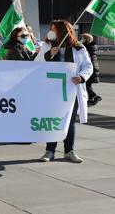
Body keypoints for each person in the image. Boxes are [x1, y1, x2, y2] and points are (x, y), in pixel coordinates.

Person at [36, 20, 93, 163]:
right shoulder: (46, 46)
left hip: (71, 90)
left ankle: (69, 151)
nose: (51, 32)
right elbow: (36, 64)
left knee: (69, 120)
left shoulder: (79, 48)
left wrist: (81, 77)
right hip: (51, 91)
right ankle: (50, 151)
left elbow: (88, 66)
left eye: (54, 29)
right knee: (53, 120)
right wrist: (48, 55)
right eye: (50, 29)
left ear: (62, 31)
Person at [81, 33, 101, 106]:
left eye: (83, 38)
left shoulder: (86, 48)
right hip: (94, 68)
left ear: (87, 39)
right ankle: (91, 99)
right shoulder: (92, 47)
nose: (81, 40)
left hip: (90, 69)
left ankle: (95, 97)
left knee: (86, 84)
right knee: (88, 84)